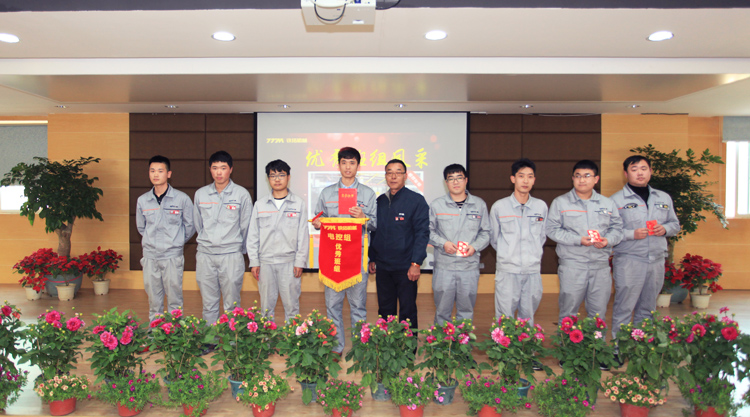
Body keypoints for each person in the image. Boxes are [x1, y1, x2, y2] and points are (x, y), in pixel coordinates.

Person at [312, 147, 377, 357]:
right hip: (334, 258)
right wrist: (317, 223)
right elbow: (318, 218)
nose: (348, 167)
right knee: (333, 305)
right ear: (338, 165)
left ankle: (360, 347)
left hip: (358, 258)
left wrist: (363, 217)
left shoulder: (368, 193)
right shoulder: (327, 192)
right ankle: (336, 346)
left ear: (358, 165)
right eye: (344, 162)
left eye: (352, 163)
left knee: (358, 306)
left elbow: (375, 224)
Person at [610, 156, 679, 350]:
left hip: (656, 261)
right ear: (626, 174)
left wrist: (665, 229)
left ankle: (641, 350)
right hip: (629, 260)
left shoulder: (663, 198)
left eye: (643, 168)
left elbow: (675, 224)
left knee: (648, 308)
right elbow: (609, 232)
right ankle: (619, 349)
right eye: (634, 169)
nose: (639, 173)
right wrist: (631, 234)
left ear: (650, 171)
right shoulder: (615, 200)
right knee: (624, 307)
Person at [546, 160, 623, 324]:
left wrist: (608, 240)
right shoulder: (560, 202)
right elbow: (551, 230)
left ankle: (596, 342)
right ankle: (567, 341)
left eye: (587, 176)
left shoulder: (607, 203)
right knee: (568, 313)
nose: (582, 180)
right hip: (572, 265)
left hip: (600, 266)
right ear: (572, 179)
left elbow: (618, 229)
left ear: (596, 179)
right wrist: (578, 240)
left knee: (598, 315)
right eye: (578, 176)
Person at [369, 159, 430, 330]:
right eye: (389, 172)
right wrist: (372, 258)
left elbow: (422, 233)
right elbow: (374, 231)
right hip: (383, 266)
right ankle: (388, 344)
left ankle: (408, 346)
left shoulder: (416, 200)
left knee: (407, 311)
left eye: (398, 172)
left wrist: (416, 263)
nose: (393, 176)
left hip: (406, 267)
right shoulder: (380, 201)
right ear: (385, 176)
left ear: (405, 176)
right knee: (385, 310)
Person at [193, 150, 252, 327]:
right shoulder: (201, 194)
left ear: (231, 169)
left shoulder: (241, 194)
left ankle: (231, 339)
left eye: (223, 168)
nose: (219, 172)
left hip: (231, 255)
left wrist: (239, 250)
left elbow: (246, 226)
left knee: (232, 304)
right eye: (215, 168)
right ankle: (210, 338)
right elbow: (198, 224)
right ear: (210, 169)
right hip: (206, 255)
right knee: (208, 304)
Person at [247, 159, 309, 323]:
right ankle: (267, 337)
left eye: (281, 175)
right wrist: (254, 261)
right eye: (273, 175)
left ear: (288, 177)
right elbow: (253, 235)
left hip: (289, 262)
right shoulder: (260, 205)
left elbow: (303, 235)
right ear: (268, 179)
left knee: (292, 308)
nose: (277, 179)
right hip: (265, 263)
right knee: (266, 308)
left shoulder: (298, 204)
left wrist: (300, 261)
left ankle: (292, 337)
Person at [136, 155, 195, 323]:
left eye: (160, 171)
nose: (156, 174)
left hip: (172, 257)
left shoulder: (182, 199)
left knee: (175, 299)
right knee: (154, 301)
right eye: (152, 171)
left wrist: (176, 242)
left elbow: (190, 226)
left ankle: (174, 332)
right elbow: (141, 227)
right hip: (150, 257)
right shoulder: (142, 200)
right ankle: (155, 332)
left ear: (168, 174)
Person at [428, 163, 490, 324]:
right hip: (444, 267)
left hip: (469, 267)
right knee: (442, 311)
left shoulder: (479, 204)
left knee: (466, 311)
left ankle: (464, 340)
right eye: (451, 179)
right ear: (446, 182)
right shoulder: (437, 205)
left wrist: (475, 246)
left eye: (459, 178)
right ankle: (442, 340)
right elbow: (428, 231)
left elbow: (486, 232)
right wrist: (443, 243)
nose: (455, 182)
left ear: (466, 180)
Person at [489, 158, 547, 326]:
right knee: (504, 318)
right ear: (513, 179)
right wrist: (508, 255)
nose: (525, 180)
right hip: (508, 271)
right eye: (521, 176)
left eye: (530, 176)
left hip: (532, 271)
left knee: (527, 318)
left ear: (534, 180)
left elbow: (542, 237)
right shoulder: (499, 207)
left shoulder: (541, 207)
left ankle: (526, 343)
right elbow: (494, 239)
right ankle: (504, 344)